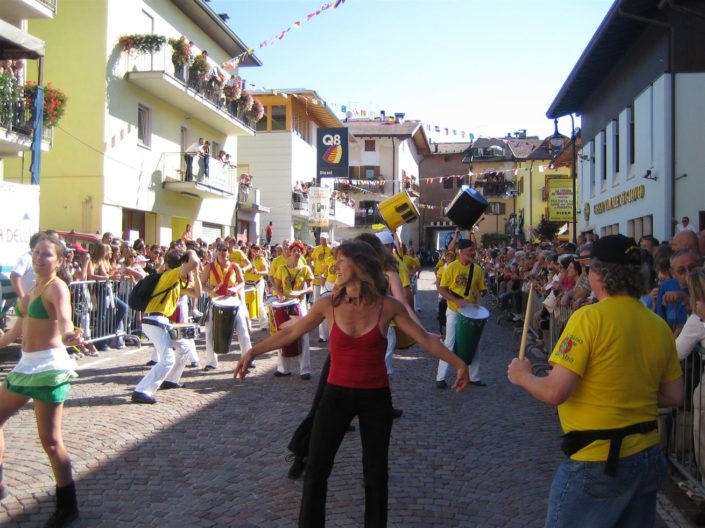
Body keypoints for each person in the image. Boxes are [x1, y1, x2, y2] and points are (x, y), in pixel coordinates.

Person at [234, 240, 469, 527]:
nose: (335, 267)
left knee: (375, 475)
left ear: (358, 265)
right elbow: (291, 332)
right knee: (317, 470)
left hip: (375, 399)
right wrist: (253, 351)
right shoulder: (327, 304)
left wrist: (458, 363)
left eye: (340, 262)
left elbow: (424, 340)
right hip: (335, 397)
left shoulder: (388, 307)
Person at [508, 234, 684, 528]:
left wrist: (522, 375)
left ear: (600, 274)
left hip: (600, 458)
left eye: (589, 270)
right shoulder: (658, 325)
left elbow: (555, 392)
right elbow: (674, 395)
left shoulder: (589, 318)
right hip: (647, 454)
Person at [0, 233, 83, 526]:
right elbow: (11, 335)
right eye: (36, 252)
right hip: (25, 368)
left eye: (46, 254)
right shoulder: (32, 292)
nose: (39, 258)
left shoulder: (56, 288)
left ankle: (67, 504)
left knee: (50, 441)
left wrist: (69, 333)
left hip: (48, 370)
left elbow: (64, 320)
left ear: (59, 261)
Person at [131, 249, 202, 404]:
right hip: (154, 320)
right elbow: (194, 261)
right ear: (181, 264)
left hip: (162, 321)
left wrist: (196, 274)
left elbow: (197, 294)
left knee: (185, 349)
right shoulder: (169, 275)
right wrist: (190, 250)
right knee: (168, 358)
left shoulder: (175, 281)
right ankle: (141, 390)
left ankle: (171, 380)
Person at [436, 238, 487, 389]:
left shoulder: (477, 269)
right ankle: (440, 377)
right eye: (470, 250)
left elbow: (482, 288)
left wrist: (482, 291)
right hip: (453, 309)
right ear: (461, 251)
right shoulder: (451, 267)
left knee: (474, 343)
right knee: (449, 343)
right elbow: (442, 288)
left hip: (471, 311)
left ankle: (474, 377)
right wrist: (456, 301)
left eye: (473, 249)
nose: (473, 252)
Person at [201, 243, 252, 371]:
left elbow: (242, 282)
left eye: (224, 250)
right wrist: (210, 290)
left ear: (228, 252)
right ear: (216, 252)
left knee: (243, 331)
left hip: (234, 301)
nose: (222, 252)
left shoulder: (235, 266)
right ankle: (211, 362)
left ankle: (248, 358)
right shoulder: (210, 267)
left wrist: (235, 288)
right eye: (220, 250)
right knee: (210, 332)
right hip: (215, 302)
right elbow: (201, 284)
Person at [272, 240, 313, 379]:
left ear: (302, 253)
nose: (297, 252)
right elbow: (277, 286)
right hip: (285, 304)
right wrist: (280, 295)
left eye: (299, 251)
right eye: (294, 250)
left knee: (304, 336)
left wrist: (300, 293)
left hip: (300, 304)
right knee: (283, 334)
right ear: (290, 251)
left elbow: (311, 287)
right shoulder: (282, 268)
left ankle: (305, 370)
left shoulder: (305, 268)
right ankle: (283, 368)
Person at [310, 233, 332, 343]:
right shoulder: (316, 249)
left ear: (328, 240)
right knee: (317, 304)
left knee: (328, 306)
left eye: (324, 239)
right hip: (317, 280)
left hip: (327, 281)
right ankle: (322, 335)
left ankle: (329, 333)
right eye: (321, 239)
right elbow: (312, 259)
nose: (323, 241)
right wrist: (313, 265)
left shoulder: (331, 249)